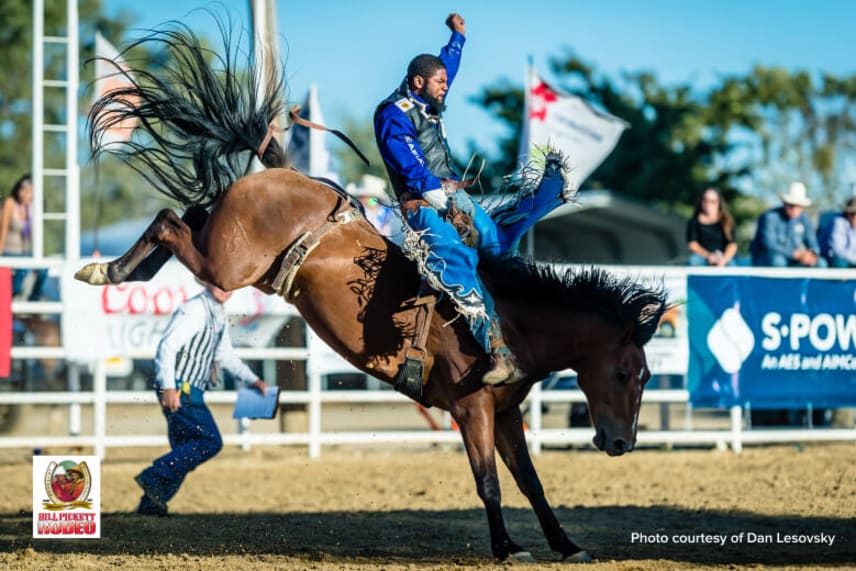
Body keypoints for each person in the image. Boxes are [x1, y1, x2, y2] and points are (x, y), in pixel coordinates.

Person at [374, 13, 571, 386]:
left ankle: (543, 198)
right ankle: (498, 349)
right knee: (460, 263)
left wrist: (457, 38)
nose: (446, 86)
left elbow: (445, 66)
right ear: (419, 83)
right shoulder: (393, 115)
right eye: (440, 83)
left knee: (496, 246)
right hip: (423, 207)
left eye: (445, 82)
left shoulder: (423, 98)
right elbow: (413, 170)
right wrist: (445, 204)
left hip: (452, 196)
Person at [134, 282, 269, 516]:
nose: (225, 287)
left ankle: (152, 502)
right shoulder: (194, 309)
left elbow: (224, 356)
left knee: (184, 449)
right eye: (219, 281)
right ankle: (154, 475)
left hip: (185, 387)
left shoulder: (216, 312)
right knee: (209, 441)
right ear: (206, 281)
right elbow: (167, 346)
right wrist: (168, 387)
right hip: (181, 388)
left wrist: (253, 380)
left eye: (229, 283)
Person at [750, 181, 827, 267]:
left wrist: (811, 255)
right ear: (784, 203)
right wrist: (794, 254)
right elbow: (769, 244)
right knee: (778, 261)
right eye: (791, 205)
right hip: (767, 259)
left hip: (793, 260)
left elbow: (813, 243)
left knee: (821, 263)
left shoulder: (804, 219)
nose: (794, 209)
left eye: (797, 205)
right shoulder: (770, 217)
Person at [0, 174, 47, 300]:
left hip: (23, 253)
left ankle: (34, 298)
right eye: (23, 190)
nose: (25, 194)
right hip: (7, 252)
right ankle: (10, 295)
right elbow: (2, 231)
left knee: (44, 268)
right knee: (25, 266)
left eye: (29, 191)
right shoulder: (10, 203)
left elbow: (32, 238)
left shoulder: (32, 208)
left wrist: (28, 214)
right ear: (18, 189)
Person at [686, 187, 738, 266]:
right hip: (702, 257)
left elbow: (732, 245)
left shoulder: (727, 221)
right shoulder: (694, 222)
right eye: (705, 200)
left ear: (719, 203)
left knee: (732, 265)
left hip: (723, 257)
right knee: (694, 261)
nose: (708, 204)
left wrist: (723, 260)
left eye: (713, 201)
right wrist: (709, 256)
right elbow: (692, 245)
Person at [818, 197, 856, 268]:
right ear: (847, 213)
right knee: (840, 262)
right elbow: (837, 250)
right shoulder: (838, 223)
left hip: (849, 259)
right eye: (852, 213)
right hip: (831, 258)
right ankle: (839, 279)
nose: (854, 217)